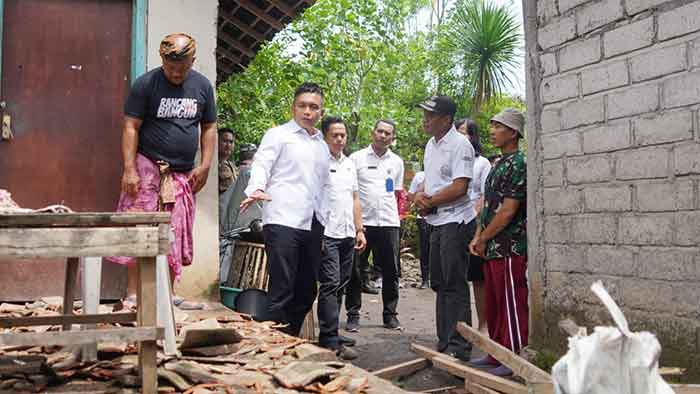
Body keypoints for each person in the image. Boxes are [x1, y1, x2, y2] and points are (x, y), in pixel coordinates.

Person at [107, 33, 216, 310]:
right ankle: (133, 295)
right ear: (162, 60)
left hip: (181, 173)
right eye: (170, 67)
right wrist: (129, 169)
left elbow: (209, 128)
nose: (176, 73)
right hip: (147, 167)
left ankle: (167, 293)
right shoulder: (146, 84)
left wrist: (205, 165)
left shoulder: (202, 86)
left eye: (182, 67)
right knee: (139, 227)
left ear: (192, 60)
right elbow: (131, 126)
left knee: (174, 230)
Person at [240, 82, 330, 336]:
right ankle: (273, 344)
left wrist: (325, 223)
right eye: (302, 106)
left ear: (321, 112)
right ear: (293, 107)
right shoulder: (278, 135)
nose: (307, 111)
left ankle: (287, 338)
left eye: (314, 107)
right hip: (282, 219)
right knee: (282, 287)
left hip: (312, 223)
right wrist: (256, 187)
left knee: (307, 290)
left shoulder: (322, 145)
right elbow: (262, 164)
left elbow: (325, 187)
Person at [414, 95, 475, 361]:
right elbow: (433, 179)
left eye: (431, 115)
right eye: (425, 114)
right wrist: (420, 195)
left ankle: (460, 347)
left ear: (446, 119)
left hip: (455, 221)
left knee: (454, 284)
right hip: (436, 221)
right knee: (439, 283)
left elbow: (460, 187)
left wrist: (430, 200)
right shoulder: (431, 144)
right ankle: (444, 340)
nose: (425, 119)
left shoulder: (461, 145)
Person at [469, 108, 527, 377]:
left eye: (498, 126)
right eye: (491, 126)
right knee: (494, 305)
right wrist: (478, 235)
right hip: (492, 246)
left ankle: (514, 358)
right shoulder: (498, 163)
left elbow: (508, 210)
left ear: (513, 132)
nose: (491, 131)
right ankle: (496, 353)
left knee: (511, 304)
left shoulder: (519, 163)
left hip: (510, 247)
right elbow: (489, 205)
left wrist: (484, 236)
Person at [345, 120, 405, 332]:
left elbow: (395, 191)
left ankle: (390, 315)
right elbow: (350, 192)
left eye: (387, 133)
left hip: (388, 222)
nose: (382, 135)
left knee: (391, 271)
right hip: (362, 223)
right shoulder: (356, 159)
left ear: (392, 137)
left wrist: (399, 218)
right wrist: (354, 223)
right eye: (379, 131)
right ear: (373, 133)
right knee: (355, 270)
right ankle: (353, 315)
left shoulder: (397, 162)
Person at [316, 116, 367, 360]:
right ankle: (327, 339)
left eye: (343, 135)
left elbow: (355, 198)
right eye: (334, 135)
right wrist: (317, 232)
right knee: (330, 283)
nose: (339, 139)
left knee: (341, 283)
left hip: (348, 234)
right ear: (325, 136)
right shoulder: (318, 162)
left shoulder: (349, 164)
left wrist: (359, 230)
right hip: (327, 233)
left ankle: (333, 330)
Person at [455, 118, 492, 334]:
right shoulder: (451, 159)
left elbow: (485, 196)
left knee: (478, 279)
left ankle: (483, 326)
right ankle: (460, 327)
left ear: (473, 136)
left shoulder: (482, 163)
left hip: (474, 224)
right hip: (452, 224)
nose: (461, 136)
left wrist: (471, 217)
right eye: (457, 132)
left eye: (464, 132)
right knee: (456, 278)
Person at [407, 169, 430, 289]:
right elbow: (411, 196)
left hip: (442, 217)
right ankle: (425, 279)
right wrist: (422, 187)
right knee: (425, 248)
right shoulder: (420, 176)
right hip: (423, 217)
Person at [218, 128, 237, 194]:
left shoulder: (232, 165)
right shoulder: (213, 165)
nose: (228, 145)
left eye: (231, 142)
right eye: (225, 141)